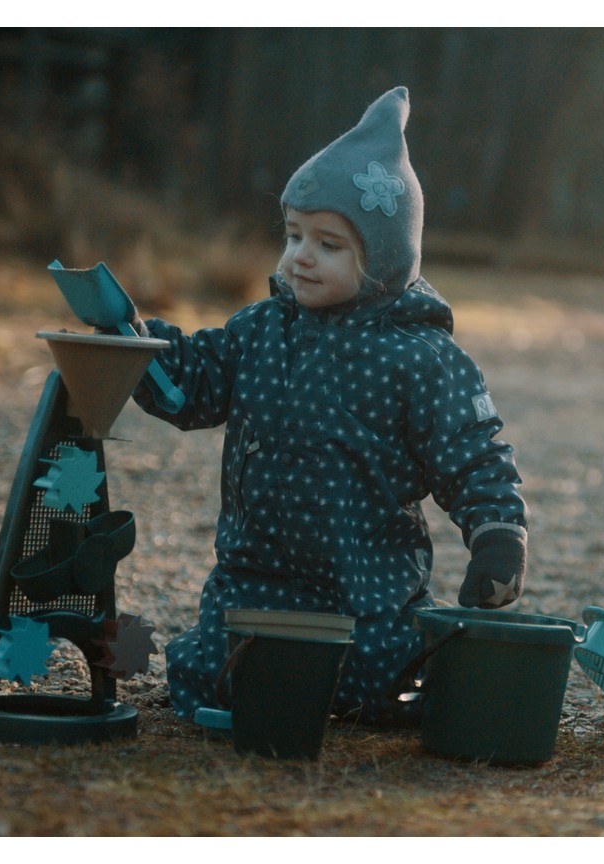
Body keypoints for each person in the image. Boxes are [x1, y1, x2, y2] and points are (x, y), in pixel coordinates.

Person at [130, 87, 528, 726]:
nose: (299, 257)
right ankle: (257, 688)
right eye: (292, 235)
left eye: (329, 244)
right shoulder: (260, 330)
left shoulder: (419, 358)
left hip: (364, 592)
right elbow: (195, 384)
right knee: (207, 673)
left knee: (379, 682)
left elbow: (473, 453)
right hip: (253, 585)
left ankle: (373, 685)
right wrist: (137, 347)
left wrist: (497, 535)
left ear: (383, 261)